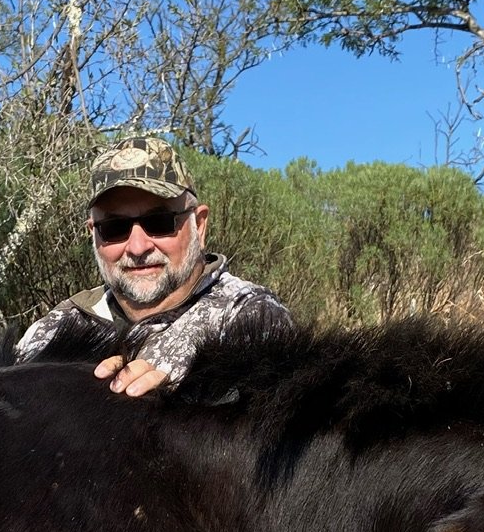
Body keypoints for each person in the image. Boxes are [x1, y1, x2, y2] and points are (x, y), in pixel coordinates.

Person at [16, 134, 290, 395]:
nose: (138, 247)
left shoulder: (248, 318)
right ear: (94, 235)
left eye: (159, 223)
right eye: (114, 228)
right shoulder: (54, 330)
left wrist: (179, 399)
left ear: (200, 225)